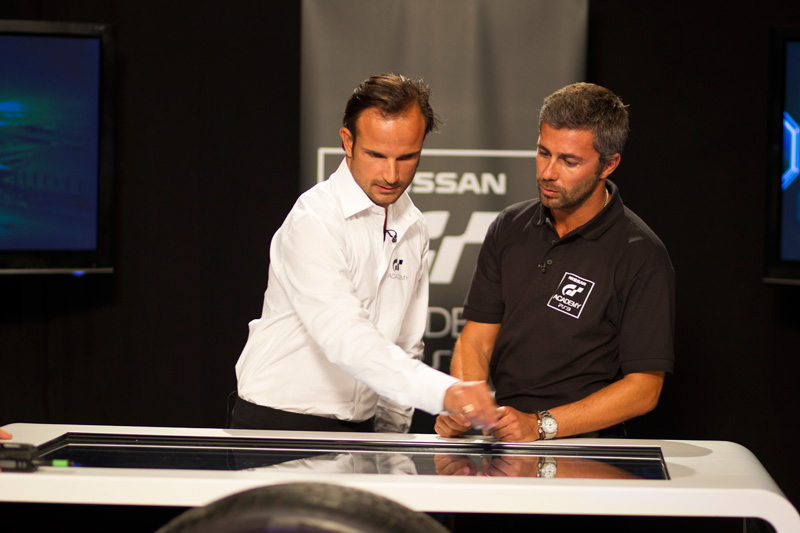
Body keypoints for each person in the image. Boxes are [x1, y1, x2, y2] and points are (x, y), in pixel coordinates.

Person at [233, 73, 498, 434]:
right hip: (280, 423)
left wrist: (391, 443)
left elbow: (405, 344)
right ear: (348, 141)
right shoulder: (314, 220)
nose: (391, 174)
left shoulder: (415, 225)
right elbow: (344, 336)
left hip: (361, 429)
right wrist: (446, 391)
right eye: (376, 155)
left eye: (407, 157)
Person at [435, 82, 675, 442]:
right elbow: (476, 340)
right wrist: (467, 408)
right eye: (543, 152)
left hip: (588, 447)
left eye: (569, 161)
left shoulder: (641, 254)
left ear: (609, 164)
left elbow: (644, 389)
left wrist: (539, 425)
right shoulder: (509, 226)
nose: (548, 172)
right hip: (505, 437)